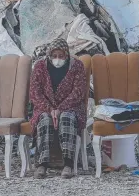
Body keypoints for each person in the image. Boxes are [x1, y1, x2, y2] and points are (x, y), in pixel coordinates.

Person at [29, 38, 87, 178]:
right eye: (54, 56)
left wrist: (60, 109)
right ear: (49, 55)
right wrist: (50, 109)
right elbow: (35, 93)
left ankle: (68, 164)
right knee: (44, 119)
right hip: (44, 107)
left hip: (71, 107)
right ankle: (42, 164)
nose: (57, 59)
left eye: (61, 56)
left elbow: (78, 92)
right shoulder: (40, 67)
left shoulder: (77, 66)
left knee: (67, 118)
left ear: (66, 55)